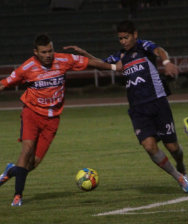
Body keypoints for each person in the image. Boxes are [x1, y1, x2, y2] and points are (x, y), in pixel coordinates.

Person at [66, 20, 188, 193]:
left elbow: (160, 50)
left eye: (126, 37)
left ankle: (180, 163)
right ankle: (178, 176)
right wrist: (84, 54)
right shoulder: (120, 56)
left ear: (135, 35)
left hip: (158, 103)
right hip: (137, 109)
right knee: (149, 146)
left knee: (173, 148)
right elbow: (100, 64)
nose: (123, 41)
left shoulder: (144, 47)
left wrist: (166, 63)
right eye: (120, 39)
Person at [0, 33, 118, 206]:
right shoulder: (27, 67)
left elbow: (90, 62)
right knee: (27, 150)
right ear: (36, 52)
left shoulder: (63, 60)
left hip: (52, 119)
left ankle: (11, 171)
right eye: (44, 52)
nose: (48, 55)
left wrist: (115, 68)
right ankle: (18, 196)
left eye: (50, 51)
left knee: (33, 163)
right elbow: (4, 83)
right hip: (31, 113)